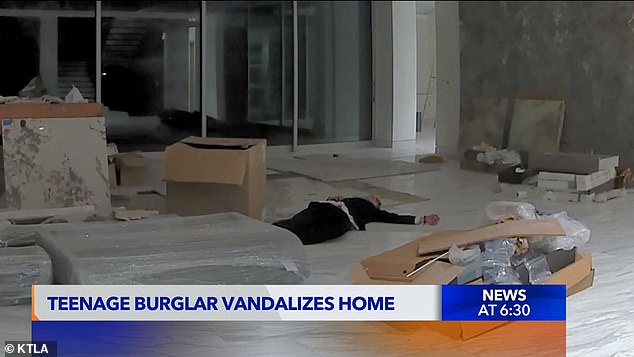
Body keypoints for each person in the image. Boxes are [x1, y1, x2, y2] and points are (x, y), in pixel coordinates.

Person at [273, 195, 440, 245]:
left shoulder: (372, 210)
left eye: (377, 200)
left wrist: (422, 219)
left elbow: (393, 218)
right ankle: (271, 231)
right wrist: (337, 200)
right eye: (374, 197)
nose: (374, 198)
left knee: (318, 232)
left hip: (344, 220)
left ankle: (288, 238)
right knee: (301, 221)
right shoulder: (348, 200)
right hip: (327, 208)